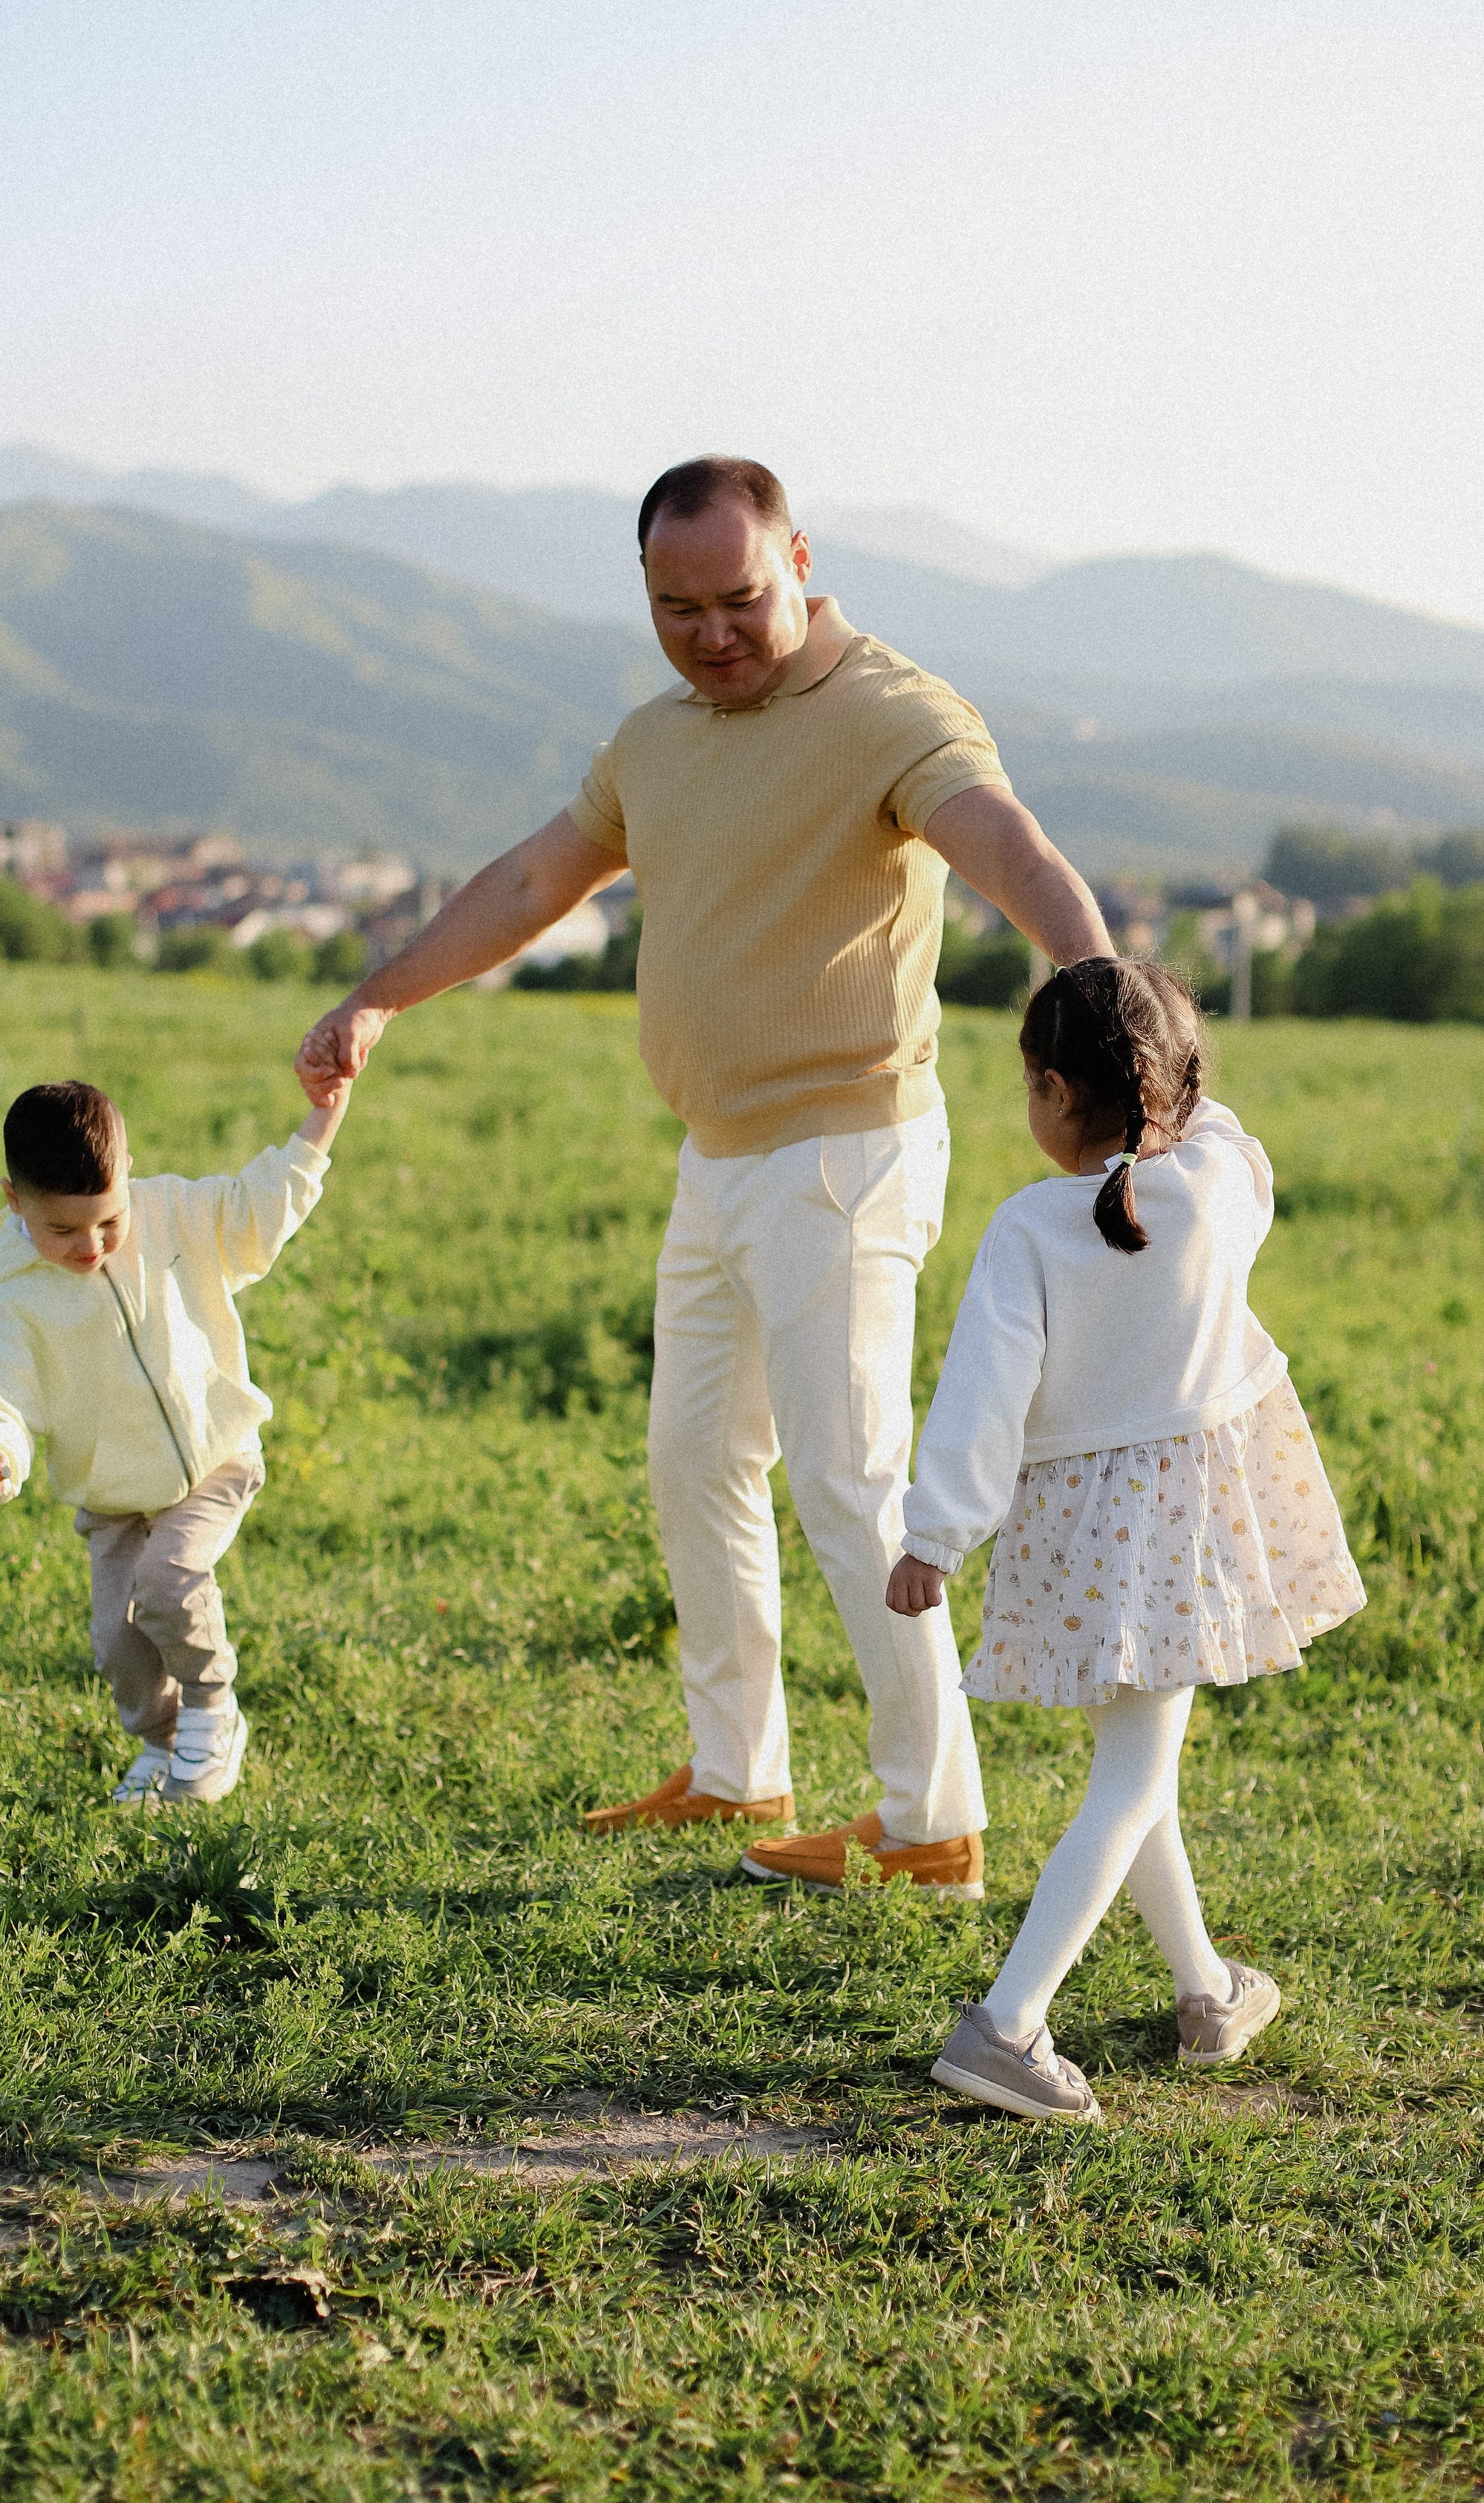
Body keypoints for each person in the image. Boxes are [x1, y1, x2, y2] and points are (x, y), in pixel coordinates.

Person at [298, 454, 1113, 1892]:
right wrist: (383, 995)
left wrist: (1100, 992)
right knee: (696, 1468)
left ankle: (932, 1824)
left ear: (801, 556)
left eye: (740, 598)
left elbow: (1008, 847)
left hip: (845, 1157)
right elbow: (530, 883)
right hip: (719, 1157)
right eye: (679, 609)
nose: (714, 634)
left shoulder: (895, 712)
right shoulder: (656, 739)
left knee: (854, 1488)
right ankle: (739, 1771)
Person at [890, 958, 1365, 2117]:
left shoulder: (1030, 1228)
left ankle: (1148, 2000)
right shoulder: (1221, 1185)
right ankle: (1039, 2020)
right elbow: (1224, 1128)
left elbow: (979, 1398)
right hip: (1179, 1533)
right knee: (1138, 1773)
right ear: (1174, 1083)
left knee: (1133, 1771)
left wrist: (935, 1537)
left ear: (1054, 1088)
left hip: (1081, 1540)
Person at [0, 1075, 351, 1806]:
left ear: (126, 1179)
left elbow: (257, 1208)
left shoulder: (175, 1214)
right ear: (14, 1200)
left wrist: (319, 1125)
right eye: (61, 1229)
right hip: (115, 1495)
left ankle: (214, 1712)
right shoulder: (14, 1297)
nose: (90, 1245)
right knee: (116, 1640)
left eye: (107, 1221)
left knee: (168, 1581)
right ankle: (163, 1743)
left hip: (212, 1457)